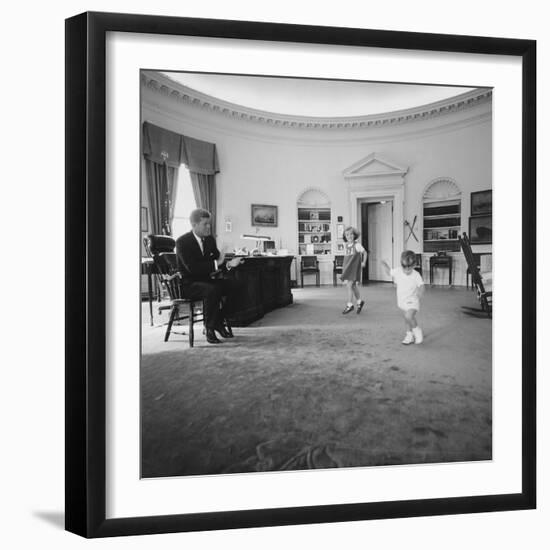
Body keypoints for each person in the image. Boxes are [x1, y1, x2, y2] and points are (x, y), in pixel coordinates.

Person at [175, 208, 243, 344]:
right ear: (194, 225)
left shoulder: (210, 240)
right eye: (205, 224)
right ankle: (210, 327)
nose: (208, 227)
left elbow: (219, 262)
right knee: (212, 290)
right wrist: (218, 262)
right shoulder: (182, 242)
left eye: (209, 224)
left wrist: (229, 264)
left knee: (235, 285)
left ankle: (218, 321)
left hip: (207, 282)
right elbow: (192, 268)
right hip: (189, 284)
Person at [382, 250, 424, 345]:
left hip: (413, 300)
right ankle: (409, 335)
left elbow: (422, 286)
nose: (406, 270)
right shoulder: (397, 271)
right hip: (402, 301)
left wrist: (420, 293)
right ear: (401, 265)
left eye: (409, 268)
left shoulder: (416, 275)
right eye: (404, 268)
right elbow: (389, 272)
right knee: (407, 319)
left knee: (409, 316)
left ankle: (417, 331)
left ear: (414, 265)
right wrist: (384, 263)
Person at [340, 226, 367, 314]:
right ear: (345, 237)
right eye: (347, 235)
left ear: (354, 235)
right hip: (348, 268)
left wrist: (364, 262)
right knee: (353, 286)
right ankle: (359, 302)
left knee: (349, 285)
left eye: (351, 234)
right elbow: (346, 258)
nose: (349, 236)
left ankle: (350, 305)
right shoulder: (345, 245)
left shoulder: (357, 245)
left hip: (354, 269)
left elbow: (365, 252)